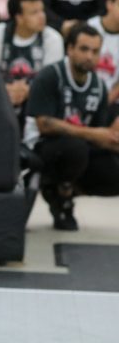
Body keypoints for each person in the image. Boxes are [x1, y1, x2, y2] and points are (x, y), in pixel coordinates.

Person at [24, 23, 119, 230]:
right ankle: (60, 194)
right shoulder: (51, 75)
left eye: (95, 51)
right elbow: (44, 124)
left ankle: (65, 188)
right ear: (70, 49)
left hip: (79, 150)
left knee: (112, 168)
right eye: (84, 49)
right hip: (41, 146)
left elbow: (99, 132)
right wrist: (91, 133)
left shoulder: (98, 86)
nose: (89, 56)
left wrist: (112, 137)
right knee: (75, 148)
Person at [0, 0, 65, 122]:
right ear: (19, 17)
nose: (42, 16)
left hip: (37, 102)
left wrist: (27, 91)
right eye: (34, 13)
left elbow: (51, 81)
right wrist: (5, 90)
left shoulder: (53, 39)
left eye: (42, 11)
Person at [88, 0, 119, 116]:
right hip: (84, 93)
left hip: (113, 101)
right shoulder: (89, 27)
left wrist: (105, 102)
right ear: (109, 4)